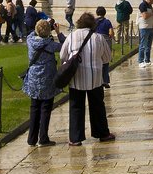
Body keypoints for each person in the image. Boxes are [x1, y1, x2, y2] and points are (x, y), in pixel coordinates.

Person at [60, 12, 114, 145]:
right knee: (97, 106)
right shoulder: (98, 38)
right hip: (94, 77)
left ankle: (75, 138)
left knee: (76, 107)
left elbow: (63, 55)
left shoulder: (72, 36)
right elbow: (107, 58)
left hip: (76, 76)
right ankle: (102, 133)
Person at [22, 19, 62, 147]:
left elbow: (30, 34)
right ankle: (43, 137)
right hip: (47, 80)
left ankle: (31, 138)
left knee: (34, 109)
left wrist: (41, 25)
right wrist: (58, 33)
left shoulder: (30, 41)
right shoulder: (50, 44)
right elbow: (65, 45)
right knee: (45, 109)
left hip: (34, 80)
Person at [137, 0, 153, 67]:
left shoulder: (149, 5)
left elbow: (149, 15)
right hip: (144, 27)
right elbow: (145, 16)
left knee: (148, 45)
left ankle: (147, 60)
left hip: (150, 26)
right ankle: (140, 61)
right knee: (142, 45)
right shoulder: (143, 5)